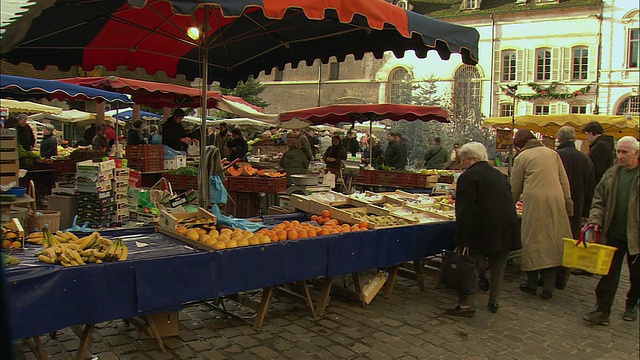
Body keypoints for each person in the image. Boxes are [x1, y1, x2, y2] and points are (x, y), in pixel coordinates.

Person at [445, 142, 519, 317]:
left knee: (471, 267)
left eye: (462, 161)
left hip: (481, 230)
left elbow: (465, 211)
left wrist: (461, 239)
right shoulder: (499, 175)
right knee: (498, 267)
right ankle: (494, 301)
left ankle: (466, 305)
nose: (461, 165)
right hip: (506, 228)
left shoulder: (468, 177)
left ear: (470, 159)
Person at [583, 136, 639, 325]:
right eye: (618, 152)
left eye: (625, 152)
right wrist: (596, 219)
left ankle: (631, 305)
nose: (620, 156)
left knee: (637, 275)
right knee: (608, 274)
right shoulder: (612, 173)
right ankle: (602, 310)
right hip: (613, 233)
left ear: (636, 154)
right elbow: (599, 200)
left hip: (636, 237)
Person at [510, 129, 573, 300]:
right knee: (553, 243)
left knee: (533, 242)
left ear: (519, 144)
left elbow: (514, 187)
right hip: (556, 201)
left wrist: (508, 206)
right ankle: (548, 287)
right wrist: (568, 204)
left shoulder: (522, 157)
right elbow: (564, 181)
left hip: (535, 202)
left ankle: (531, 285)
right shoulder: (552, 153)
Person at [555, 126, 596, 289]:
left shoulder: (556, 156)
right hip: (577, 207)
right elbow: (590, 187)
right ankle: (563, 277)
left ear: (559, 139)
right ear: (574, 139)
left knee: (554, 241)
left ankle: (549, 277)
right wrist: (586, 211)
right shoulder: (585, 159)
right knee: (571, 241)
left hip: (557, 205)